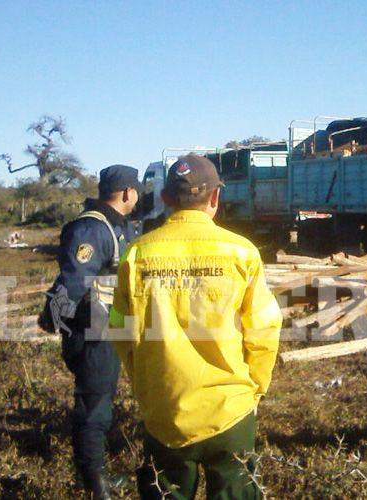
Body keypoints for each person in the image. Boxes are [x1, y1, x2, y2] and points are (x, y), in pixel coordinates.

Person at [109, 155, 282, 499]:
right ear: (215, 199)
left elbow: (119, 329)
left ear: (165, 199)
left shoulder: (136, 255)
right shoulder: (241, 252)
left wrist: (145, 387)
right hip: (231, 410)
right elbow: (264, 329)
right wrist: (255, 390)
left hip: (165, 412)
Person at [43, 164, 142, 498]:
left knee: (102, 399)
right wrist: (55, 319)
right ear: (128, 192)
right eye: (136, 190)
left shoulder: (117, 227)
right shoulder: (92, 229)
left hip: (109, 327)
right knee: (94, 405)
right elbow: (73, 280)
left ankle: (95, 471)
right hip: (93, 330)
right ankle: (94, 482)